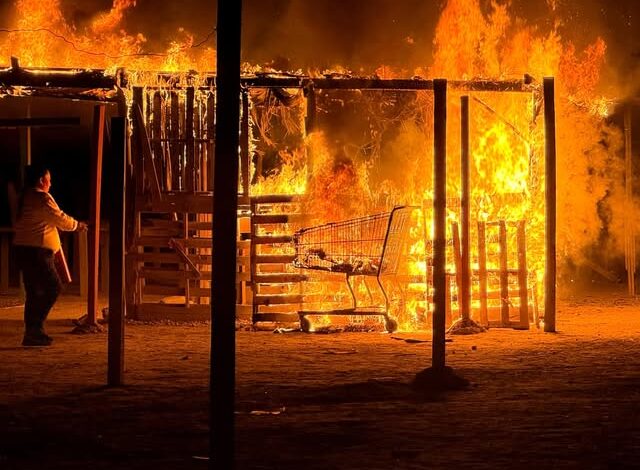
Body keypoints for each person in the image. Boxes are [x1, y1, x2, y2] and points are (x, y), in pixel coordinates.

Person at [13, 165, 87, 346]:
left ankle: (32, 333)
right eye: (49, 179)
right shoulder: (42, 197)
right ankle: (35, 327)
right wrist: (77, 225)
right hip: (37, 251)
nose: (50, 183)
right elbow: (59, 218)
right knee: (53, 287)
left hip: (24, 249)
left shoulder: (25, 196)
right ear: (41, 180)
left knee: (33, 292)